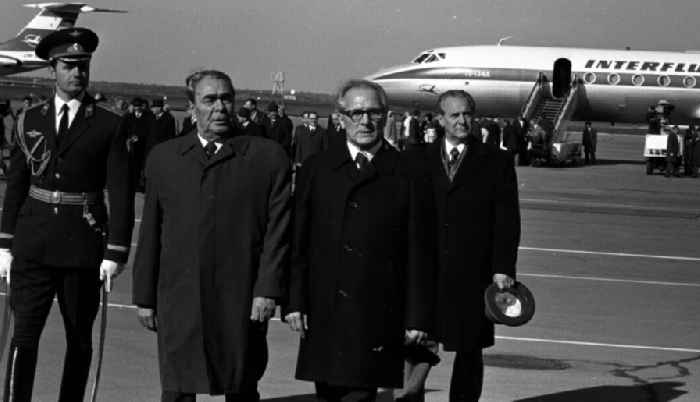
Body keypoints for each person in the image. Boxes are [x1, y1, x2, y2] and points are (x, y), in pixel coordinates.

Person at [133, 69, 293, 401]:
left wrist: (267, 291)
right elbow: (150, 232)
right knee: (178, 385)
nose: (219, 107)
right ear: (191, 107)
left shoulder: (266, 157)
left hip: (241, 295)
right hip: (180, 295)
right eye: (209, 100)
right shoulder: (165, 158)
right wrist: (145, 296)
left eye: (226, 99)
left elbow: (278, 231)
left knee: (241, 383)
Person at [0, 27, 135, 401]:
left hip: (82, 247)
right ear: (52, 70)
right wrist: (5, 243)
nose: (78, 73)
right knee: (23, 337)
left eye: (83, 66)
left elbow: (121, 192)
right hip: (32, 245)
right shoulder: (30, 118)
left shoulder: (109, 121)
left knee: (79, 340)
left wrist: (115, 251)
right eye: (69, 66)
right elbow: (16, 186)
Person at [286, 79, 434, 402]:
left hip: (378, 312)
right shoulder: (317, 169)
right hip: (324, 310)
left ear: (386, 116)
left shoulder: (408, 174)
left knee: (361, 395)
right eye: (356, 113)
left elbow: (420, 252)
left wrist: (418, 316)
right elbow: (299, 241)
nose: (365, 121)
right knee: (327, 394)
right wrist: (295, 300)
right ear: (340, 118)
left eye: (373, 113)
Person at [406, 89, 520, 402]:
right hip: (425, 270)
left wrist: (502, 268)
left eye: (467, 114)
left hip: (473, 272)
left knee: (470, 349)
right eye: (454, 115)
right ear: (440, 119)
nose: (462, 121)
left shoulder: (495, 161)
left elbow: (507, 220)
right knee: (417, 345)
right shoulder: (416, 158)